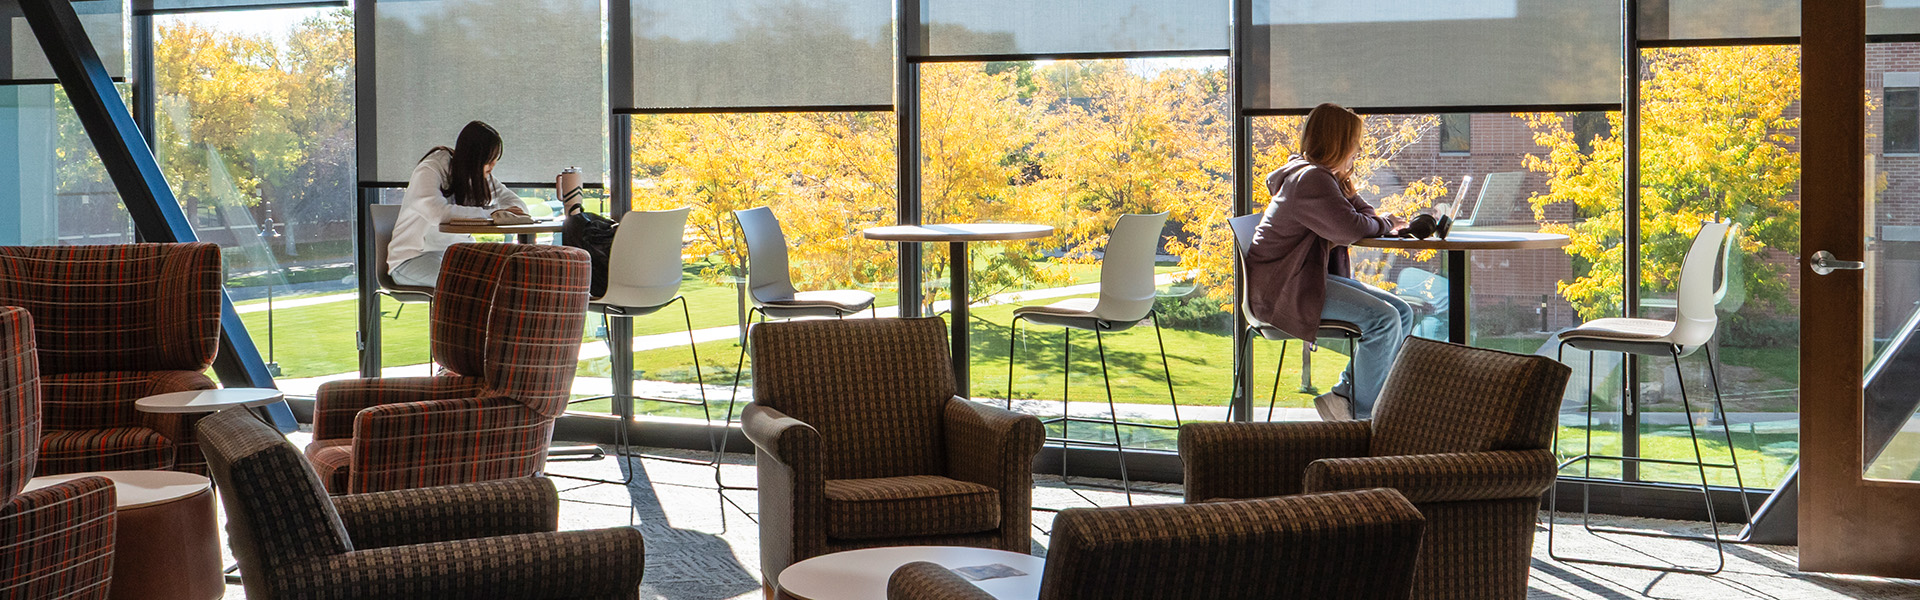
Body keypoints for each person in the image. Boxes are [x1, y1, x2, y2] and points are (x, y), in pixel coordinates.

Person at [1245, 103, 1416, 421]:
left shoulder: (1322, 177)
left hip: (1300, 280)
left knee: (1402, 313)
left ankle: (1345, 398)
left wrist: (1348, 189)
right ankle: (1361, 418)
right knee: (1384, 319)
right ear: (1340, 142)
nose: (1359, 149)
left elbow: (1363, 215)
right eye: (1355, 142)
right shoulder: (1310, 179)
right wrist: (1386, 223)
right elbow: (1351, 228)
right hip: (1282, 290)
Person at [387, 120, 530, 287]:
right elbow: (438, 213)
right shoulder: (430, 169)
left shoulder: (477, 176)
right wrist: (494, 214)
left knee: (505, 277)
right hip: (412, 259)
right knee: (470, 285)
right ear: (474, 157)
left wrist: (504, 213)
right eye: (489, 159)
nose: (493, 165)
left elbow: (519, 206)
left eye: (495, 159)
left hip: (457, 255)